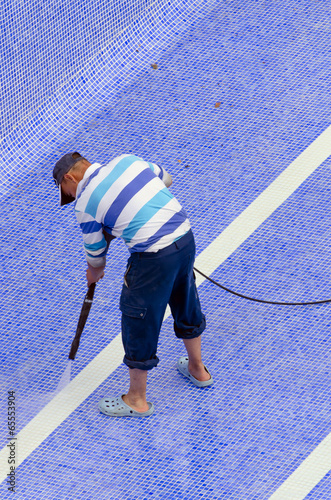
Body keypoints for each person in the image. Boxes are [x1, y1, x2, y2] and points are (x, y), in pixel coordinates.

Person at [53, 151, 213, 417]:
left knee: (138, 318)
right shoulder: (128, 161)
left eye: (66, 191)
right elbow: (166, 179)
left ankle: (136, 399)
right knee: (185, 300)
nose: (71, 197)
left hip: (153, 257)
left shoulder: (84, 202)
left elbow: (95, 254)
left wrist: (94, 271)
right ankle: (198, 369)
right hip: (184, 238)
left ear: (70, 177)